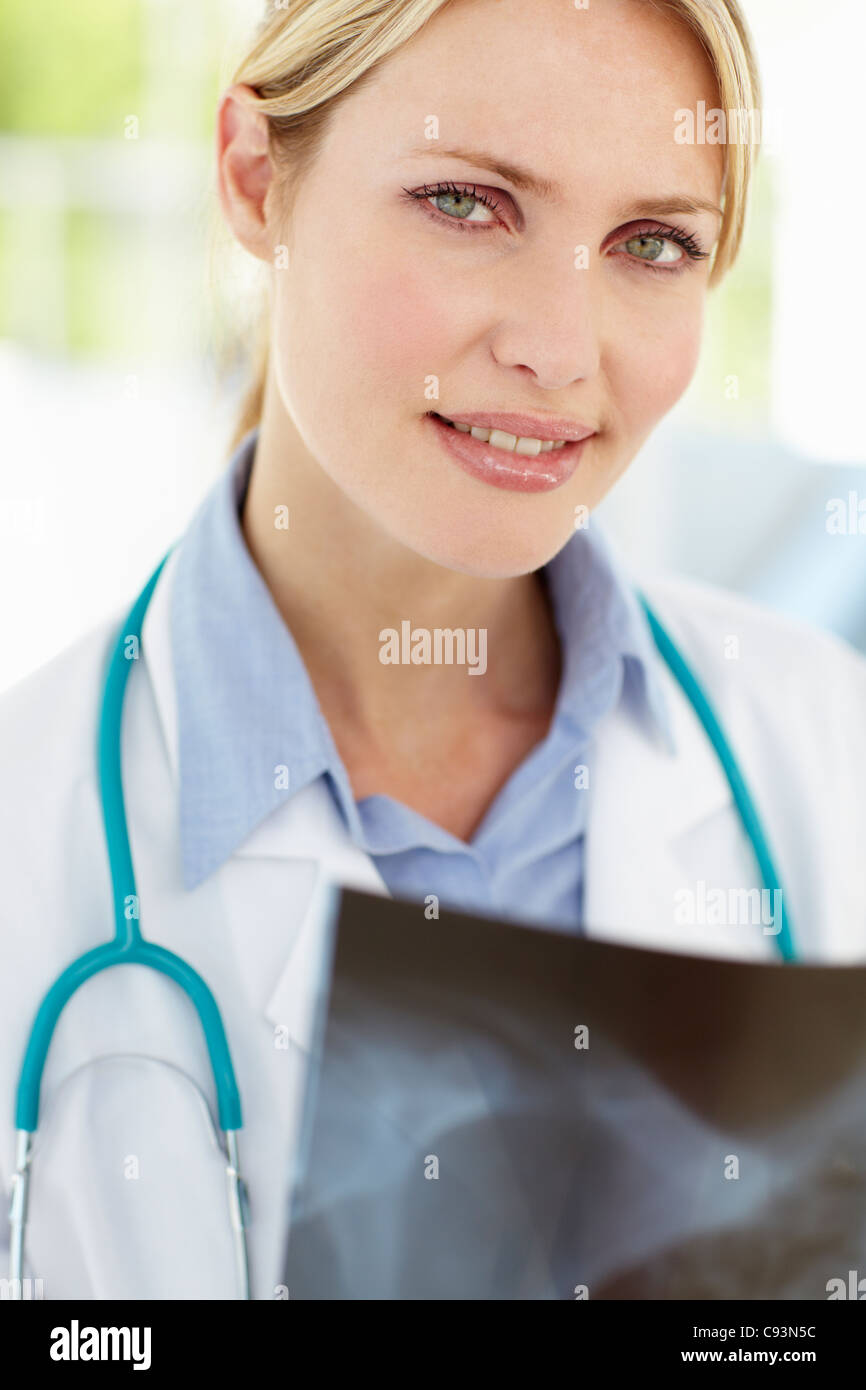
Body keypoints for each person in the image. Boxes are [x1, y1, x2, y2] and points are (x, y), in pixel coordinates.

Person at [1, 0, 864, 1300]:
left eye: (650, 241)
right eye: (467, 203)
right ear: (252, 174)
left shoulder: (822, 749)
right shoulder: (31, 833)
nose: (556, 350)